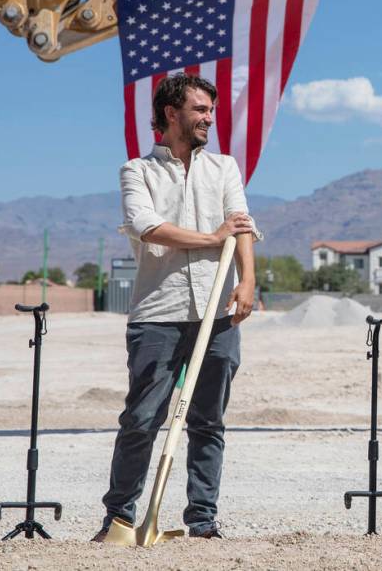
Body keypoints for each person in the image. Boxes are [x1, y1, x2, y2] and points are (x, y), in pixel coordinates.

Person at [93, 74, 260, 541]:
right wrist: (211, 237)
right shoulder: (137, 171)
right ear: (172, 113)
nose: (210, 118)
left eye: (211, 110)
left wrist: (247, 280)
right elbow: (146, 226)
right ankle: (119, 519)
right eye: (201, 110)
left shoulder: (224, 167)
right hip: (157, 314)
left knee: (208, 422)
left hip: (217, 315)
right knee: (142, 419)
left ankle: (202, 522)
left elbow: (242, 224)